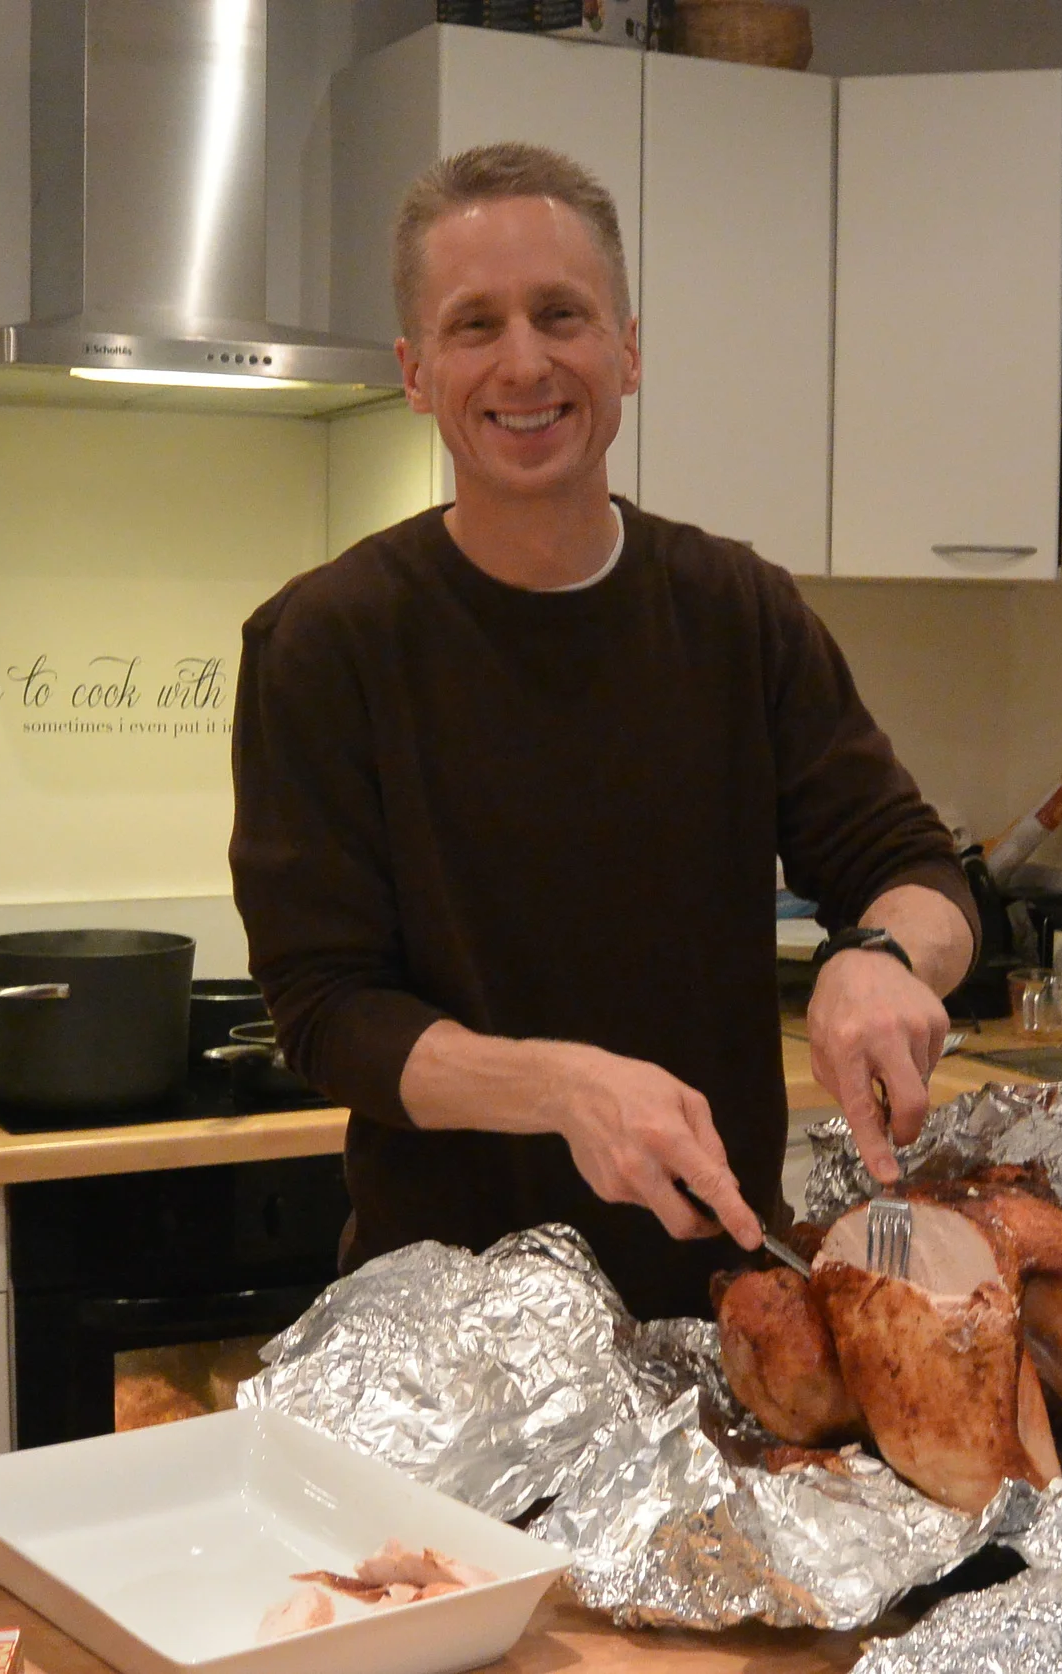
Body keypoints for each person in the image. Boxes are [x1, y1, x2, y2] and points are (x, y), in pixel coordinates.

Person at [229, 142, 977, 1320]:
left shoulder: (740, 613)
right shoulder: (325, 643)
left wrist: (881, 959)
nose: (523, 363)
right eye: (474, 326)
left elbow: (912, 869)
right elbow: (329, 1016)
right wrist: (559, 1087)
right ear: (417, 372)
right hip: (447, 1333)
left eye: (561, 315)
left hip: (721, 1312)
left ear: (628, 349)